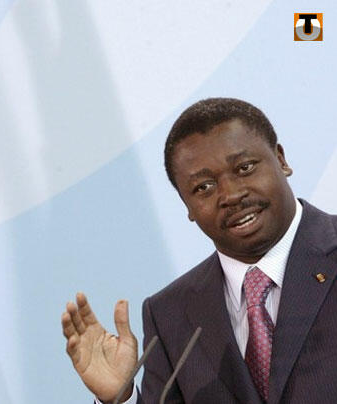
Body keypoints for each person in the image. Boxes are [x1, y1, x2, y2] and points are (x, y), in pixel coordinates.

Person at [61, 98, 337, 403]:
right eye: (204, 187)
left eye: (244, 168)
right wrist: (119, 398)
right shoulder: (169, 313)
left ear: (281, 160)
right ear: (187, 206)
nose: (231, 195)